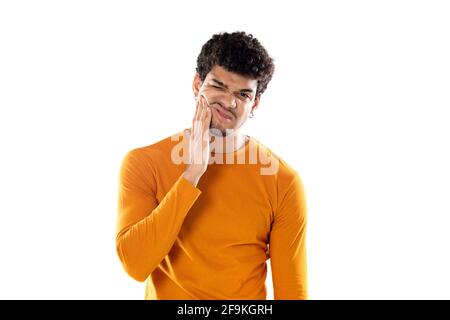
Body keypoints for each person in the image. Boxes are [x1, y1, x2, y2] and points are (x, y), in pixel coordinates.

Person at [116, 31, 308, 299]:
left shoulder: (283, 182)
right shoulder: (144, 163)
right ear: (197, 84)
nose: (229, 102)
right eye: (218, 86)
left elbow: (292, 292)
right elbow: (136, 265)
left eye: (243, 94)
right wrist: (192, 174)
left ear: (255, 103)